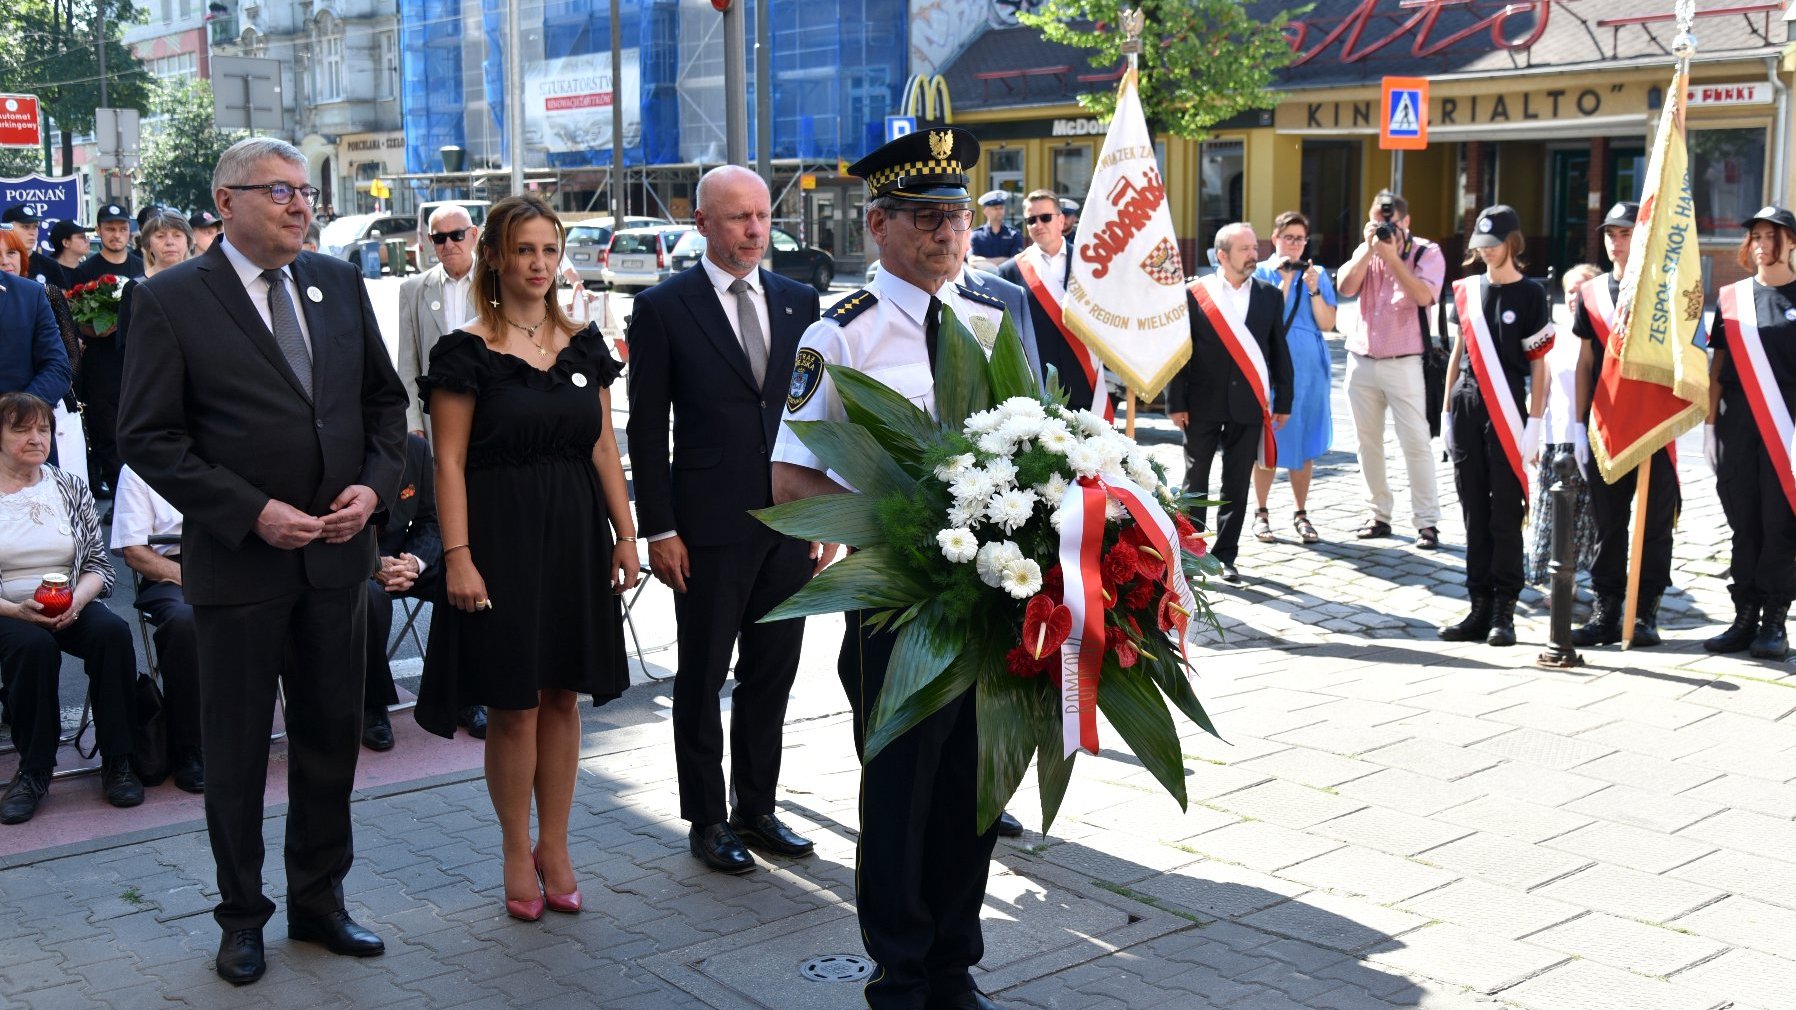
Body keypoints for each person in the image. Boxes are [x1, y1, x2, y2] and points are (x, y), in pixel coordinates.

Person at [116, 137, 409, 984]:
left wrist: (374, 487)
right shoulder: (171, 299)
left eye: (304, 190)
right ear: (226, 202)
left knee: (329, 742)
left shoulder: (338, 283)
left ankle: (320, 902)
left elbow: (384, 406)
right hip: (240, 569)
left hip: (336, 563)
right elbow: (146, 436)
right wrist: (252, 512)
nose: (300, 203)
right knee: (239, 754)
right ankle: (242, 917)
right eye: (279, 190)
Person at [773, 126, 1008, 1010]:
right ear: (877, 226)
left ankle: (955, 963)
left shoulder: (986, 321)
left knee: (972, 784)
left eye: (956, 215)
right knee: (904, 792)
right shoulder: (840, 336)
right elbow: (790, 476)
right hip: (897, 603)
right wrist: (892, 538)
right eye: (924, 218)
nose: (946, 233)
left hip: (988, 601)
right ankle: (900, 972)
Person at [413, 193, 639, 923]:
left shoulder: (584, 345)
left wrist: (627, 534)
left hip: (576, 535)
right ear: (496, 259)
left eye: (549, 249)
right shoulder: (465, 350)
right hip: (499, 538)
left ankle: (559, 845)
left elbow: (604, 446)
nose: (538, 265)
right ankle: (517, 849)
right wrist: (458, 556)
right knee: (513, 705)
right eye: (524, 251)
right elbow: (446, 464)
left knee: (564, 695)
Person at [626, 165, 825, 874]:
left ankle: (758, 809)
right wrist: (660, 529)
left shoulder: (802, 300)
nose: (753, 230)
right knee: (703, 675)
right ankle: (708, 819)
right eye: (737, 217)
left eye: (762, 216)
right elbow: (647, 430)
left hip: (789, 526)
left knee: (773, 673)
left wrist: (825, 510)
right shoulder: (664, 307)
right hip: (705, 529)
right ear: (702, 222)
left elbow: (816, 415)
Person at [0, 392, 141, 823]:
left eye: (43, 429)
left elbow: (98, 563)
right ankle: (34, 769)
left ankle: (118, 760)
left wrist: (77, 602)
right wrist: (17, 610)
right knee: (33, 647)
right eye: (21, 430)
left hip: (69, 601)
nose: (35, 438)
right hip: (7, 607)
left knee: (113, 634)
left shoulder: (69, 486)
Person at [1438, 206, 1552, 647]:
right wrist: (1447, 411)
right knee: (1473, 512)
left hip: (1507, 409)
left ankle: (1505, 606)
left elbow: (1539, 365)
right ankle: (1478, 605)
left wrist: (1536, 423)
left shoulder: (1532, 293)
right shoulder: (1466, 290)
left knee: (1505, 512)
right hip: (1468, 405)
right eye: (1480, 246)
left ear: (1512, 244)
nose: (1486, 253)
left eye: (1493, 245)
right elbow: (1456, 353)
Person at [1166, 223, 1292, 584]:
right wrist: (1176, 401)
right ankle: (1191, 554)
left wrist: (1284, 398)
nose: (1254, 254)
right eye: (1245, 249)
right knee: (1195, 482)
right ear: (1222, 255)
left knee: (1236, 483)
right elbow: (1181, 353)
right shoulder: (1194, 294)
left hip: (1249, 404)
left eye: (1255, 248)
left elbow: (1278, 351)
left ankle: (1225, 556)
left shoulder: (1269, 295)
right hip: (1201, 402)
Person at [1704, 205, 1796, 660]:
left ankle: (1774, 621)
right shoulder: (1732, 298)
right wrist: (1708, 426)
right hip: (1737, 423)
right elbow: (1717, 365)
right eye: (1756, 237)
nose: (1761, 245)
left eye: (1771, 236)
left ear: (1791, 243)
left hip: (1787, 428)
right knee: (1743, 523)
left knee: (1780, 525)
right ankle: (1743, 617)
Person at [1335, 190, 1446, 549]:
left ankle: (1427, 522)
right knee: (1367, 443)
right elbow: (1345, 286)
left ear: (1406, 222)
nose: (1385, 229)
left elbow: (1423, 296)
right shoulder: (1367, 249)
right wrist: (1370, 249)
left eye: (1392, 223)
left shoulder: (1427, 253)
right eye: (1379, 222)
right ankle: (1378, 513)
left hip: (1405, 361)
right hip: (1362, 359)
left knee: (1415, 442)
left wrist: (1393, 257)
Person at [111, 462, 205, 792]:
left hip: (237, 563)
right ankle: (189, 747)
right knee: (185, 619)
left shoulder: (234, 446)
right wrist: (196, 580)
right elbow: (135, 553)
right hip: (170, 570)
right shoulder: (139, 467)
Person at [1250, 211, 1336, 545]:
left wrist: (1314, 290)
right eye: (1289, 238)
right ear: (1275, 239)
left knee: (1303, 443)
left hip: (1311, 372)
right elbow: (1266, 319)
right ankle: (1261, 512)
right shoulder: (1261, 272)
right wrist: (1284, 283)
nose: (1295, 245)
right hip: (1274, 370)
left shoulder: (1318, 274)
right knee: (1269, 441)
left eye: (1301, 239)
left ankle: (1301, 512)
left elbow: (1327, 323)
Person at [361, 432, 441, 751]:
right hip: (346, 561)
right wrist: (371, 564)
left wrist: (415, 563)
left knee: (462, 578)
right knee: (370, 598)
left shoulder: (414, 448)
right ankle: (372, 707)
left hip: (401, 556)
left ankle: (464, 695)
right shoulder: (334, 445)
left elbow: (431, 521)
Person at [997, 189, 1104, 418]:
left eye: (1045, 217)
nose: (1038, 224)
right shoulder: (1009, 271)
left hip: (1085, 383)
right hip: (1037, 391)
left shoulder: (1090, 264)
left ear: (1062, 220)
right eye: (1030, 220)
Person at [1531, 262, 1599, 591]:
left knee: (1581, 517)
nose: (1574, 296)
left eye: (1582, 289)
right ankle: (1559, 582)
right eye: (1570, 289)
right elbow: (1542, 390)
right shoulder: (1552, 336)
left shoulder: (1603, 335)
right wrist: (1535, 436)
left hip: (1590, 439)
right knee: (1554, 514)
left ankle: (1575, 579)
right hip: (1557, 440)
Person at [397, 205, 480, 441]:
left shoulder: (497, 283)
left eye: (457, 235)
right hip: (434, 422)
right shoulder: (412, 290)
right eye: (440, 238)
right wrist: (413, 424)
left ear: (473, 235)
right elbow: (407, 365)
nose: (449, 244)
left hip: (489, 415)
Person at [74, 202, 143, 282]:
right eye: (110, 229)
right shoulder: (83, 272)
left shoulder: (143, 268)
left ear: (129, 230)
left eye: (123, 229)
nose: (117, 235)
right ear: (98, 230)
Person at [968, 189, 1025, 270]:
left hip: (1007, 280)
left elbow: (1016, 261)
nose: (999, 211)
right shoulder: (976, 235)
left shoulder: (1014, 234)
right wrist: (1003, 260)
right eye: (995, 208)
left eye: (1001, 208)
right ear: (985, 211)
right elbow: (972, 261)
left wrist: (985, 262)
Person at [32, 219, 92, 291]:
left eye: (86, 237)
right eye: (81, 237)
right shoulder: (47, 270)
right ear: (66, 242)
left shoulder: (87, 269)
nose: (87, 241)